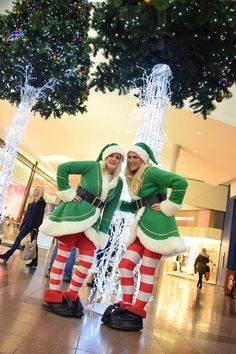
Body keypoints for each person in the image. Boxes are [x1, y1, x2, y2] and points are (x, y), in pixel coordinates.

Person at [101, 142, 188, 331]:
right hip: (142, 229)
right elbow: (136, 206)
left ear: (143, 159)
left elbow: (180, 183)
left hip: (157, 230)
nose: (131, 160)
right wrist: (112, 200)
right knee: (125, 266)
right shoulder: (135, 178)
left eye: (135, 157)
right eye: (130, 157)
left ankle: (136, 313)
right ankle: (127, 306)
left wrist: (167, 206)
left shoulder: (150, 172)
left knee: (146, 272)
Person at [40, 143, 125, 318]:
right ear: (105, 156)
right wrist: (67, 192)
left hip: (93, 223)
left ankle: (71, 295)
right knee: (62, 257)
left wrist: (103, 231)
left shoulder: (119, 183)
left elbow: (109, 209)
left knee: (87, 262)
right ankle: (54, 295)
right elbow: (64, 168)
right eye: (112, 155)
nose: (114, 159)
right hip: (75, 214)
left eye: (118, 157)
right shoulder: (92, 166)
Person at [0, 186, 46, 267]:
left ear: (39, 192)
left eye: (35, 189)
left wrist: (36, 227)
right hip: (26, 224)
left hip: (33, 226)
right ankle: (8, 255)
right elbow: (26, 215)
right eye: (34, 189)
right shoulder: (31, 202)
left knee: (33, 243)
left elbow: (40, 216)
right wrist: (22, 225)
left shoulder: (41, 202)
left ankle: (34, 261)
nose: (33, 190)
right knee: (18, 239)